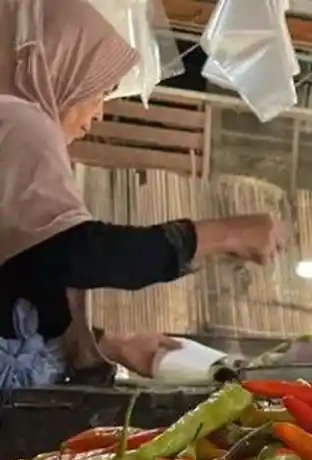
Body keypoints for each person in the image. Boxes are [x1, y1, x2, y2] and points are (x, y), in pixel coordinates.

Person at [0, 0, 282, 388]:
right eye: (100, 91)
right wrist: (220, 235)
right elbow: (76, 253)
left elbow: (26, 274)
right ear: (55, 63)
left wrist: (112, 344)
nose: (98, 113)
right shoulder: (19, 121)